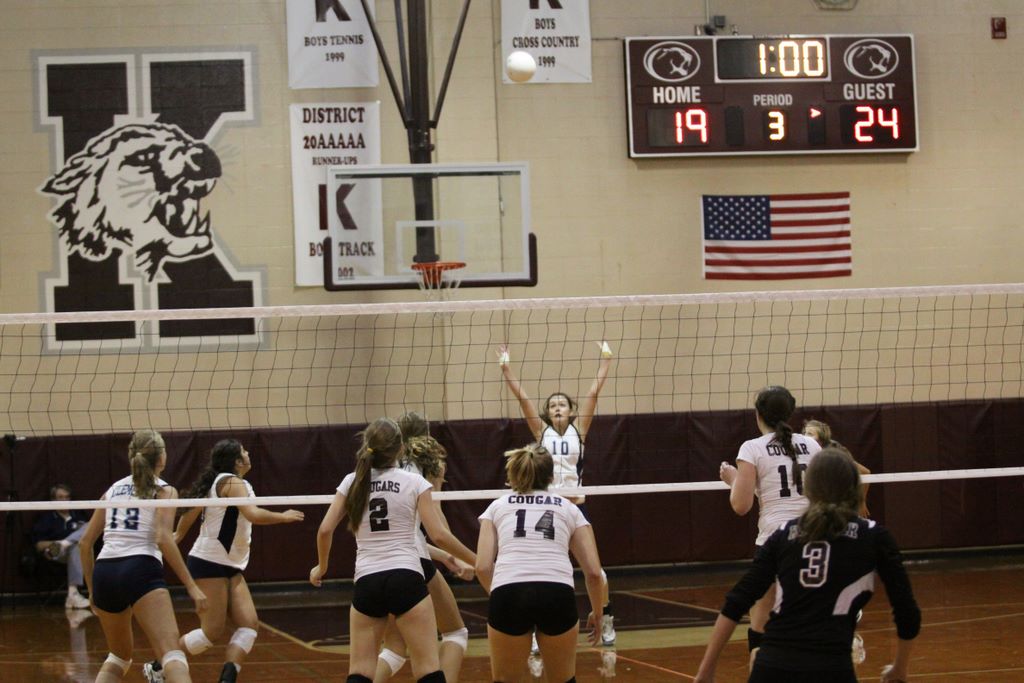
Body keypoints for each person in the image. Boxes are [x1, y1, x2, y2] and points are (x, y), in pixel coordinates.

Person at [695, 448, 921, 682]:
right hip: (831, 668)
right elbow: (907, 610)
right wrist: (899, 667)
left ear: (808, 488)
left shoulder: (784, 533)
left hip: (774, 666)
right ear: (854, 487)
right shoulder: (873, 537)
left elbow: (737, 600)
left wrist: (706, 669)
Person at [310, 417, 477, 683]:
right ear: (400, 449)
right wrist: (477, 559)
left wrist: (322, 566)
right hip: (406, 577)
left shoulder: (352, 481)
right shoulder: (414, 482)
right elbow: (438, 534)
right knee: (427, 668)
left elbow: (324, 530)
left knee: (360, 670)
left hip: (367, 581)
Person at [142, 439, 304, 683]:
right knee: (211, 632)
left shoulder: (225, 482)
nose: (248, 453)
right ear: (237, 461)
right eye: (244, 451)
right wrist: (282, 516)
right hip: (209, 562)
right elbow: (252, 514)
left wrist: (179, 534)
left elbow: (192, 508)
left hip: (231, 565)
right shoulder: (232, 482)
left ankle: (227, 678)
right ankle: (158, 665)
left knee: (249, 625)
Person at [497, 342, 616, 647]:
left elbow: (593, 394)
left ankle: (605, 617)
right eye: (552, 406)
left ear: (572, 411)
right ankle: (535, 631)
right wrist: (506, 368)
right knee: (541, 572)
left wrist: (606, 361)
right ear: (547, 414)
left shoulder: (580, 430)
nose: (558, 408)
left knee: (597, 573)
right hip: (546, 510)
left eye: (562, 404)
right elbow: (523, 398)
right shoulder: (541, 433)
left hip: (574, 508)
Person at [78, 429, 208, 683]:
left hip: (104, 572)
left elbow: (84, 543)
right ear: (161, 458)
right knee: (172, 655)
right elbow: (163, 538)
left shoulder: (112, 490)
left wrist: (93, 591)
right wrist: (192, 586)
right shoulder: (165, 491)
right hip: (140, 567)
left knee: (118, 657)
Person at [476, 442, 605, 683]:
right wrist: (599, 613)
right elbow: (594, 573)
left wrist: (501, 594)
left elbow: (482, 566)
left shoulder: (497, 507)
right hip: (556, 592)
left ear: (515, 472)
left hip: (509, 592)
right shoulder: (569, 509)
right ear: (551, 476)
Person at [718, 385, 822, 664]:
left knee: (761, 614)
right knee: (809, 611)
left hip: (775, 541)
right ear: (790, 413)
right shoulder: (812, 446)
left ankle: (761, 668)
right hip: (812, 538)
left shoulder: (752, 448)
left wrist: (733, 481)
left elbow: (741, 506)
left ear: (758, 415)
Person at [373, 431, 474, 683]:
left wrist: (446, 558)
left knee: (394, 651)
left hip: (377, 566)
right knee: (455, 633)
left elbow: (409, 535)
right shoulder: (427, 473)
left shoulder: (381, 474)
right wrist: (469, 559)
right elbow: (437, 527)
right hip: (413, 564)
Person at [30, 483, 91, 609]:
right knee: (75, 546)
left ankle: (72, 593)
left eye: (67, 497)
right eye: (60, 497)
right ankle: (73, 593)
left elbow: (89, 534)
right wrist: (56, 544)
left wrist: (65, 543)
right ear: (53, 500)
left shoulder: (78, 515)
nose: (64, 500)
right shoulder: (46, 519)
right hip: (54, 552)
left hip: (78, 552)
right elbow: (39, 545)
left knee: (88, 527)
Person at [803, 419, 872, 517]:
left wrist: (862, 502)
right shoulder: (804, 453)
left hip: (837, 505)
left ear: (821, 437)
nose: (805, 436)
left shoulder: (834, 452)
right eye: (805, 433)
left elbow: (865, 472)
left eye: (810, 434)